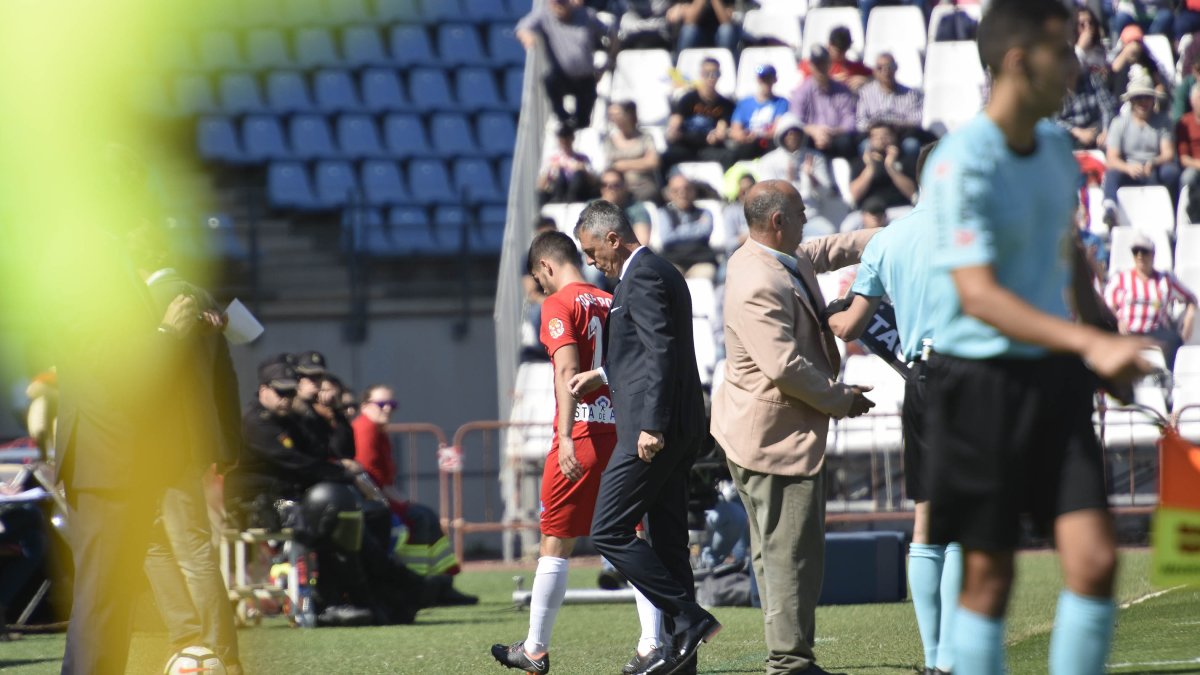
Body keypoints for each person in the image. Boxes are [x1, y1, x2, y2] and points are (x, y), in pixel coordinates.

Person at [920, 2, 1155, 673]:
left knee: (1095, 559)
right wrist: (1088, 345)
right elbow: (980, 294)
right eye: (1064, 50)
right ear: (1020, 61)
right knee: (989, 580)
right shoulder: (961, 161)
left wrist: (1102, 328)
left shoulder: (1056, 150)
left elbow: (1068, 250)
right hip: (977, 385)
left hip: (1055, 379)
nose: (1079, 65)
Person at [53, 145, 209, 675]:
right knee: (104, 597)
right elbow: (112, 360)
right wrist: (169, 329)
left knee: (108, 596)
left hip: (112, 450)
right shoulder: (89, 256)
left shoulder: (97, 251)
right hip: (107, 450)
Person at [711, 179, 876, 675]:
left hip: (761, 430)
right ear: (778, 222)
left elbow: (827, 249)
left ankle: (788, 654)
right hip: (771, 439)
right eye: (801, 213)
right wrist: (841, 400)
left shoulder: (775, 255)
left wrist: (893, 235)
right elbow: (784, 366)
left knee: (777, 553)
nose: (808, 221)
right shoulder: (757, 282)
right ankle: (789, 662)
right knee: (790, 556)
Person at [492, 231, 665, 673]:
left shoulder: (558, 304)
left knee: (556, 542)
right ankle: (652, 644)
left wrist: (566, 436)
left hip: (584, 434)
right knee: (633, 537)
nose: (541, 288)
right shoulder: (610, 299)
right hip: (621, 433)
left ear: (546, 267)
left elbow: (568, 369)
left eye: (538, 278)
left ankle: (534, 648)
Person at [826, 142, 963, 675]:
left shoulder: (890, 238)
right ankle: (959, 654)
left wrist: (824, 313)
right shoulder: (981, 228)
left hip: (926, 376)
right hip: (980, 375)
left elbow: (852, 326)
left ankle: (936, 660)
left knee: (927, 518)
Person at [568, 201, 718, 675]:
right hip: (678, 426)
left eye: (593, 251)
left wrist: (650, 423)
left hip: (654, 429)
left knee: (608, 529)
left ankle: (689, 618)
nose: (593, 262)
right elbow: (648, 352)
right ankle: (682, 660)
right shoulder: (655, 272)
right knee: (670, 543)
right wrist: (603, 374)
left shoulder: (644, 275)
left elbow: (661, 353)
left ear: (613, 238)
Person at [127, 222, 243, 672]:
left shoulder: (147, 301)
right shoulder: (202, 297)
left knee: (182, 545)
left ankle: (214, 652)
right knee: (159, 541)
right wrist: (228, 437)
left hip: (156, 442)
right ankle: (193, 642)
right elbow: (226, 376)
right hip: (190, 438)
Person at [1104, 233, 1197, 370]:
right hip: (1128, 330)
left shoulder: (1165, 280)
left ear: (1153, 255)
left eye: (1144, 251)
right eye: (1136, 252)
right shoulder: (1121, 279)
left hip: (1154, 329)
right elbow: (1107, 305)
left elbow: (1191, 298)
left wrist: (1189, 318)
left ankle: (1168, 378)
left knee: (1174, 340)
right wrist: (1118, 320)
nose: (1140, 255)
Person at [516, 0, 609, 129]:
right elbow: (523, 27)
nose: (559, 5)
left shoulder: (587, 15)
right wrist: (527, 37)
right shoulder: (544, 15)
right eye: (555, 2)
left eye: (562, 2)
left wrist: (604, 67)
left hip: (586, 77)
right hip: (563, 77)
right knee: (549, 81)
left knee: (583, 121)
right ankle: (562, 118)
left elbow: (607, 33)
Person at [1102, 75, 1179, 224]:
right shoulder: (1119, 123)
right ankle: (1110, 208)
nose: (1143, 102)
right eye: (1138, 98)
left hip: (1155, 167)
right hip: (1129, 168)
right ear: (1131, 101)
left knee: (1171, 172)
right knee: (1112, 173)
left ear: (1153, 100)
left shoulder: (1163, 121)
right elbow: (1111, 159)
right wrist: (1127, 167)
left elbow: (1168, 153)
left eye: (1147, 97)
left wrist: (1154, 162)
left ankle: (1171, 213)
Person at [756, 114, 847, 237]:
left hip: (811, 216)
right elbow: (769, 196)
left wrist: (812, 178)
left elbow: (827, 193)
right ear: (781, 136)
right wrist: (788, 182)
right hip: (784, 220)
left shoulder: (815, 157)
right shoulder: (769, 161)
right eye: (787, 133)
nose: (791, 136)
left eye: (795, 132)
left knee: (828, 233)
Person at [662, 58, 736, 172]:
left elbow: (720, 130)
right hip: (686, 145)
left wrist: (718, 135)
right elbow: (675, 125)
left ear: (719, 75)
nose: (711, 77)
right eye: (707, 74)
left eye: (715, 73)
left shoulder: (725, 104)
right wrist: (673, 132)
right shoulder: (687, 99)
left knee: (729, 156)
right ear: (701, 75)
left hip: (708, 148)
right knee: (665, 157)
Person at [789, 45, 858, 160]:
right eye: (817, 64)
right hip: (811, 138)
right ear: (810, 66)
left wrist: (831, 132)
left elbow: (850, 121)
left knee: (848, 141)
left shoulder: (842, 90)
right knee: (800, 140)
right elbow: (795, 121)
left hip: (836, 137)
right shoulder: (801, 91)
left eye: (823, 63)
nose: (820, 68)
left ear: (829, 64)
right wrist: (814, 131)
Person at [855, 53, 926, 157]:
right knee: (864, 147)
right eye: (880, 68)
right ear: (874, 71)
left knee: (912, 145)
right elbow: (860, 122)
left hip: (901, 135)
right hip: (875, 135)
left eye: (889, 67)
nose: (885, 71)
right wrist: (879, 131)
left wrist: (892, 128)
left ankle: (905, 173)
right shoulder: (866, 93)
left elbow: (916, 120)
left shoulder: (910, 93)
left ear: (896, 68)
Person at [656, 174, 718, 279]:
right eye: (676, 190)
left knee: (705, 278)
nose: (682, 193)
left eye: (687, 189)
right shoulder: (664, 213)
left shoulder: (705, 212)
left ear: (693, 191)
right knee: (669, 279)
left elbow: (705, 232)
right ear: (669, 194)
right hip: (673, 261)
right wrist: (695, 227)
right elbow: (666, 237)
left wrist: (677, 231)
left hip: (701, 261)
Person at [728, 65, 789, 163]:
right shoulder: (744, 103)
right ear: (758, 80)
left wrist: (757, 135)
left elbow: (777, 130)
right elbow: (735, 130)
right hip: (747, 144)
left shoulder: (782, 102)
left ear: (774, 80)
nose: (765, 83)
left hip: (769, 144)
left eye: (768, 79)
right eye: (762, 79)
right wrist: (744, 136)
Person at [848, 122, 917, 210]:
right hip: (869, 212)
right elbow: (855, 194)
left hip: (899, 208)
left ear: (894, 137)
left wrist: (891, 167)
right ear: (870, 140)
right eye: (876, 137)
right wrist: (870, 168)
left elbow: (912, 192)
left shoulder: (906, 160)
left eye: (886, 135)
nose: (881, 139)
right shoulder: (860, 162)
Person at [605, 101, 662, 204]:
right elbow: (610, 166)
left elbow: (653, 162)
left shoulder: (645, 138)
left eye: (617, 114)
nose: (613, 118)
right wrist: (641, 161)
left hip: (642, 185)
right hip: (618, 187)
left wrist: (622, 165)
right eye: (611, 115)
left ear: (629, 115)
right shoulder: (609, 141)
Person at [1056, 59, 1117, 150]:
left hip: (1095, 128)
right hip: (1068, 133)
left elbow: (1107, 107)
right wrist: (1077, 132)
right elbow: (1052, 120)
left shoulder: (1092, 78)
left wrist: (1106, 131)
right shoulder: (1053, 88)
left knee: (1110, 141)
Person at [799, 26, 872, 93]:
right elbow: (804, 85)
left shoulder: (852, 67)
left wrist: (866, 80)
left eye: (844, 51)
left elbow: (877, 74)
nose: (842, 55)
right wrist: (829, 81)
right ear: (829, 45)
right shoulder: (814, 64)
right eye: (838, 51)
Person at [539, 125, 599, 205]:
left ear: (572, 139)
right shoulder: (553, 160)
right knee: (559, 174)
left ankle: (572, 199)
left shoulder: (582, 158)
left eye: (567, 140)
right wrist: (549, 171)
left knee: (578, 174)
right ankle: (559, 200)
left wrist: (583, 170)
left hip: (579, 194)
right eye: (562, 140)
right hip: (559, 192)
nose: (564, 143)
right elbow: (540, 185)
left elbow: (594, 182)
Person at [599, 169, 655, 247]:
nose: (609, 189)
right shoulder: (591, 208)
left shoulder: (636, 209)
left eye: (615, 185)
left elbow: (642, 243)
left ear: (624, 186)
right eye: (604, 185)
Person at [669, 0, 739, 55]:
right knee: (688, 31)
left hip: (719, 32)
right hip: (697, 33)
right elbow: (690, 21)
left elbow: (726, 21)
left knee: (726, 31)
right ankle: (681, 70)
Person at [1176, 83, 1200, 223]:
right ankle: (1186, 219)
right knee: (1187, 178)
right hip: (1193, 166)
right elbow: (1183, 158)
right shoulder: (1184, 122)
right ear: (1192, 101)